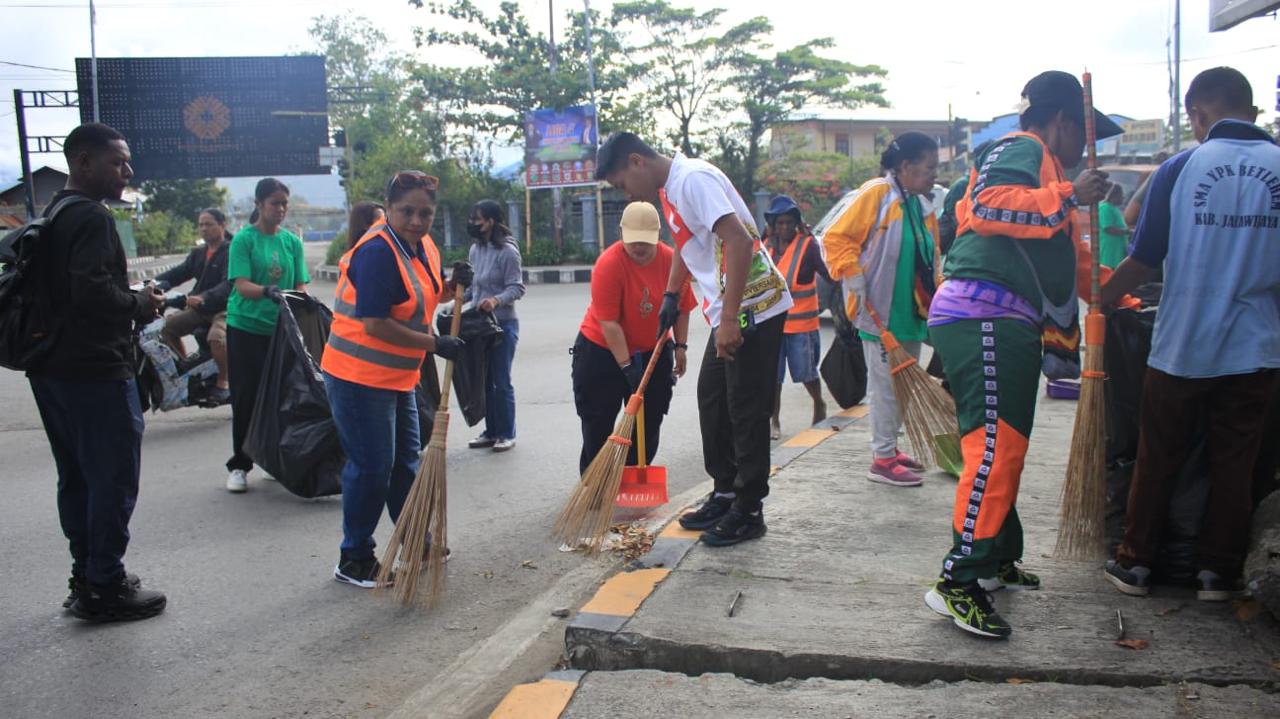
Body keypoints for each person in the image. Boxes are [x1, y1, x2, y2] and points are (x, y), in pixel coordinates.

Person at [922, 71, 1126, 639]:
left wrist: (1124, 292)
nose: (1087, 150)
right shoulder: (1022, 147)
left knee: (1000, 445)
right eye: (1083, 136)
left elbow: (1077, 269)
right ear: (1060, 122)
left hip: (1002, 318)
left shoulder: (1054, 176)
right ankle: (957, 582)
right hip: (984, 312)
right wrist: (1067, 194)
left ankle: (994, 562)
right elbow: (986, 205)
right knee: (996, 446)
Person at [1102, 67, 1280, 602]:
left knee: (1159, 456)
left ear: (1198, 113)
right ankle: (1217, 575)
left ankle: (1136, 565)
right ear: (1250, 108)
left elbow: (1143, 259)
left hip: (1183, 345)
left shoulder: (1181, 167)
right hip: (1256, 348)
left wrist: (1101, 300)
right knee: (1236, 462)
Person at [595, 132, 793, 547]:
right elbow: (687, 245)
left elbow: (738, 240)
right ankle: (724, 491)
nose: (627, 194)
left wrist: (732, 320)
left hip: (754, 309)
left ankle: (749, 508)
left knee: (744, 410)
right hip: (733, 309)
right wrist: (671, 293)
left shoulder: (692, 180)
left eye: (621, 184)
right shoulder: (671, 189)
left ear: (636, 162)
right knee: (713, 399)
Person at [29, 123, 167, 622]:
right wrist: (140, 303)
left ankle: (86, 575)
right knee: (111, 477)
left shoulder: (56, 212)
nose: (126, 171)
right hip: (94, 370)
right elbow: (91, 295)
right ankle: (105, 584)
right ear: (83, 162)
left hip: (53, 368)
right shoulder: (90, 218)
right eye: (117, 161)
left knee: (78, 477)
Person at [321, 171, 467, 587]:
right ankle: (354, 557)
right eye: (407, 212)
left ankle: (414, 539)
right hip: (357, 377)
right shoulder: (377, 252)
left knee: (405, 463)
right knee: (371, 468)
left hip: (397, 376)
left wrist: (454, 287)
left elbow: (418, 295)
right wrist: (434, 344)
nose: (417, 221)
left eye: (425, 213)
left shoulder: (421, 246)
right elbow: (375, 324)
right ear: (388, 208)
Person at [823, 132, 941, 488]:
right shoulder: (878, 193)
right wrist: (853, 274)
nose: (934, 174)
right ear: (905, 167)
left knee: (904, 384)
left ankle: (892, 447)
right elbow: (836, 237)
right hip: (879, 309)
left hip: (912, 308)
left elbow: (929, 254)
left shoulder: (921, 204)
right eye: (929, 167)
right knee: (886, 386)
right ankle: (882, 458)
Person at [572, 201, 696, 474]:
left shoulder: (670, 262)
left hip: (653, 349)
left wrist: (681, 347)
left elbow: (682, 307)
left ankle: (631, 475)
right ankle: (596, 482)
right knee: (598, 420)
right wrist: (627, 367)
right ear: (621, 234)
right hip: (601, 351)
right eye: (633, 241)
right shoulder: (609, 263)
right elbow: (609, 322)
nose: (639, 247)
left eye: (646, 241)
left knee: (650, 418)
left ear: (659, 236)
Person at [224, 178, 310, 493]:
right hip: (246, 328)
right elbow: (241, 284)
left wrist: (298, 301)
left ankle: (271, 458)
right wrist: (267, 291)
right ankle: (239, 465)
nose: (281, 209)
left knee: (282, 397)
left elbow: (300, 284)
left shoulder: (292, 243)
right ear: (259, 204)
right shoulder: (244, 240)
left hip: (281, 331)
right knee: (246, 398)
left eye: (285, 203)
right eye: (275, 203)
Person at [763, 195, 830, 440]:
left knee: (806, 373)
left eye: (789, 222)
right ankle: (774, 419)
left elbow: (827, 274)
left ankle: (819, 403)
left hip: (802, 325)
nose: (784, 228)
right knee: (773, 376)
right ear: (773, 223)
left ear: (796, 223)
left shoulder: (808, 246)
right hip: (772, 325)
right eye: (779, 222)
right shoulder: (766, 245)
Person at [463, 199, 526, 453]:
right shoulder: (475, 250)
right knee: (485, 381)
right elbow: (473, 288)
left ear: (491, 221)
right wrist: (457, 297)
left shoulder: (508, 252)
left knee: (501, 381)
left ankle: (506, 433)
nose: (473, 224)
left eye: (478, 219)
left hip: (502, 325)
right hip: (479, 327)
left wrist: (495, 300)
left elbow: (517, 287)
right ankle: (491, 432)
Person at [154, 207, 233, 403]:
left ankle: (224, 382)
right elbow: (178, 274)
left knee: (217, 338)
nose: (204, 229)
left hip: (225, 308)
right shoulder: (199, 253)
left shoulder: (232, 251)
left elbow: (229, 284)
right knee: (165, 329)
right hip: (200, 309)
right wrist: (153, 285)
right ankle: (187, 372)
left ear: (222, 225)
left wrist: (204, 297)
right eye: (201, 225)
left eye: (209, 224)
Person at [1097, 183, 1129, 269]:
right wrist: (1127, 231)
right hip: (1109, 255)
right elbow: (1108, 228)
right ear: (1114, 196)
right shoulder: (1105, 208)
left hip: (1117, 254)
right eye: (1121, 195)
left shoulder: (1114, 208)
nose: (1123, 198)